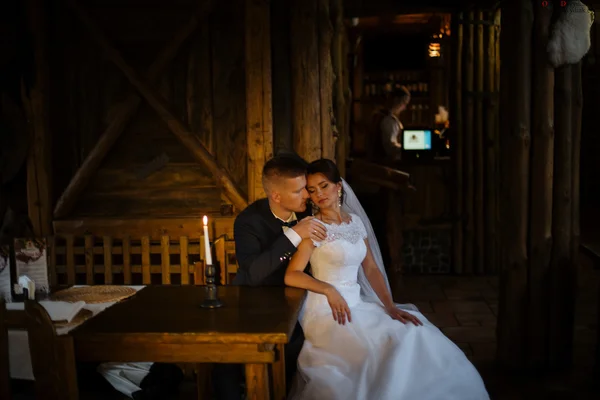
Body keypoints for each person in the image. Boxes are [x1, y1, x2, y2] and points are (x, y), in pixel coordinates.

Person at [284, 158, 490, 400]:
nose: (319, 194)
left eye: (324, 185)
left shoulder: (355, 222)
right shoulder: (314, 227)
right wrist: (328, 290)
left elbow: (370, 268)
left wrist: (389, 306)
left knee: (413, 333)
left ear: (338, 186)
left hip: (357, 303)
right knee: (372, 356)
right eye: (312, 190)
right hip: (327, 310)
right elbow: (292, 275)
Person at [212, 154, 328, 399]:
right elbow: (253, 274)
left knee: (299, 348)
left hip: (296, 300)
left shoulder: (313, 210)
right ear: (276, 196)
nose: (307, 195)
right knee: (225, 356)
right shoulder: (248, 221)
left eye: (305, 188)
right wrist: (294, 235)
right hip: (251, 301)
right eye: (299, 191)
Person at [370, 86, 411, 162]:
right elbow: (391, 148)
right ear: (396, 100)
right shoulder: (389, 120)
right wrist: (409, 149)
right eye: (404, 103)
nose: (404, 107)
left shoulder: (377, 115)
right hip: (386, 166)